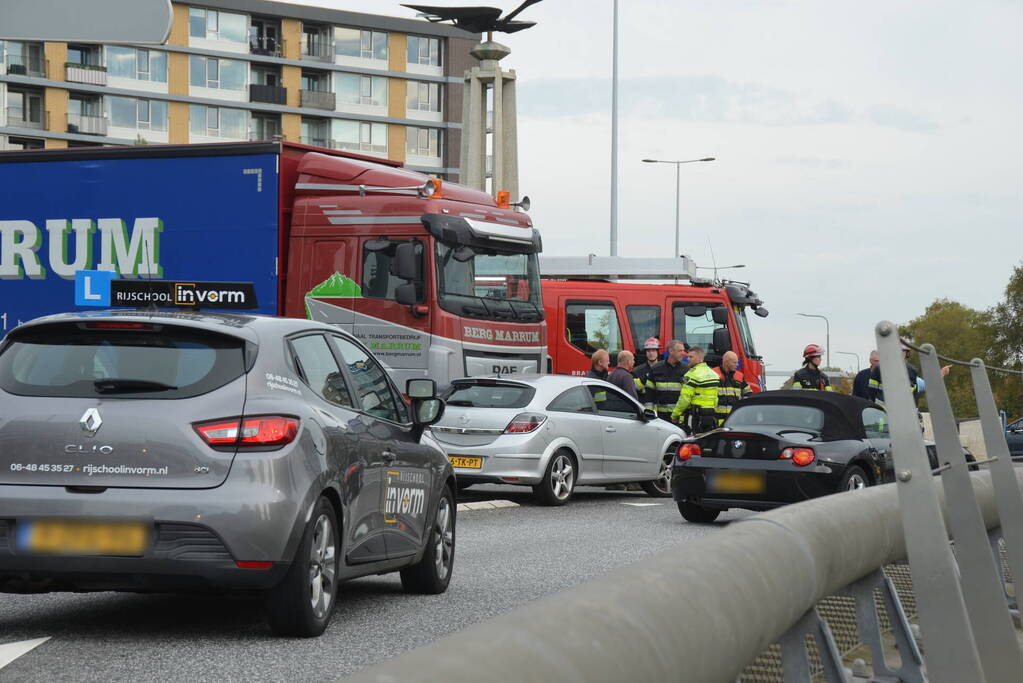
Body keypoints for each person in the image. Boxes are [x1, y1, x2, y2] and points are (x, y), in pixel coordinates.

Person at [670, 346, 719, 433]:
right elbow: (715, 398)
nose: (687, 359)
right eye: (688, 356)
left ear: (699, 358)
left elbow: (685, 399)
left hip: (695, 417)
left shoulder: (691, 375)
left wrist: (675, 415)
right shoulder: (714, 374)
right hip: (710, 417)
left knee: (693, 440)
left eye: (691, 357)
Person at [645, 339, 689, 420]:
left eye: (683, 350)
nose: (683, 353)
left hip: (681, 417)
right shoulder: (656, 368)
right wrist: (649, 414)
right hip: (661, 418)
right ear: (671, 351)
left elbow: (689, 395)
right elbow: (649, 394)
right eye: (680, 351)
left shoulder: (687, 369)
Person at [713, 350, 752, 425]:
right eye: (734, 363)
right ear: (726, 362)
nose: (737, 365)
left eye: (737, 362)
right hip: (716, 419)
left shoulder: (739, 376)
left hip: (734, 420)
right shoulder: (713, 373)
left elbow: (748, 393)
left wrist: (742, 407)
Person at [632, 337, 661, 401]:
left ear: (658, 352)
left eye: (653, 350)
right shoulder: (637, 371)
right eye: (648, 351)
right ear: (645, 352)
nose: (651, 353)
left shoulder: (663, 369)